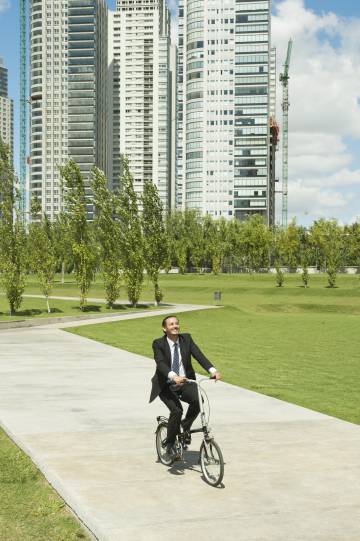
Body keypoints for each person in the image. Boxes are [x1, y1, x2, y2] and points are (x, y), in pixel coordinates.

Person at [149, 315, 221, 457]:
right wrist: (173, 376)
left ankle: (184, 426)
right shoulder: (158, 343)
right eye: (171, 324)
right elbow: (161, 363)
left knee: (198, 401)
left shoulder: (186, 339)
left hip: (185, 382)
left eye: (177, 323)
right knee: (176, 411)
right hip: (166, 385)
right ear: (165, 328)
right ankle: (169, 443)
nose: (175, 326)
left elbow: (199, 355)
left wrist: (213, 370)